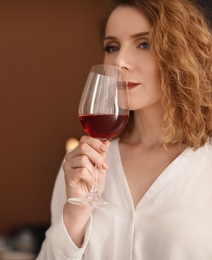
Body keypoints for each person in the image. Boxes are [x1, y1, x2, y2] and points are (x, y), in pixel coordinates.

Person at [36, 0, 212, 259]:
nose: (119, 60)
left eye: (144, 44)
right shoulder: (82, 164)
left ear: (181, 53)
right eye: (112, 47)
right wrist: (75, 213)